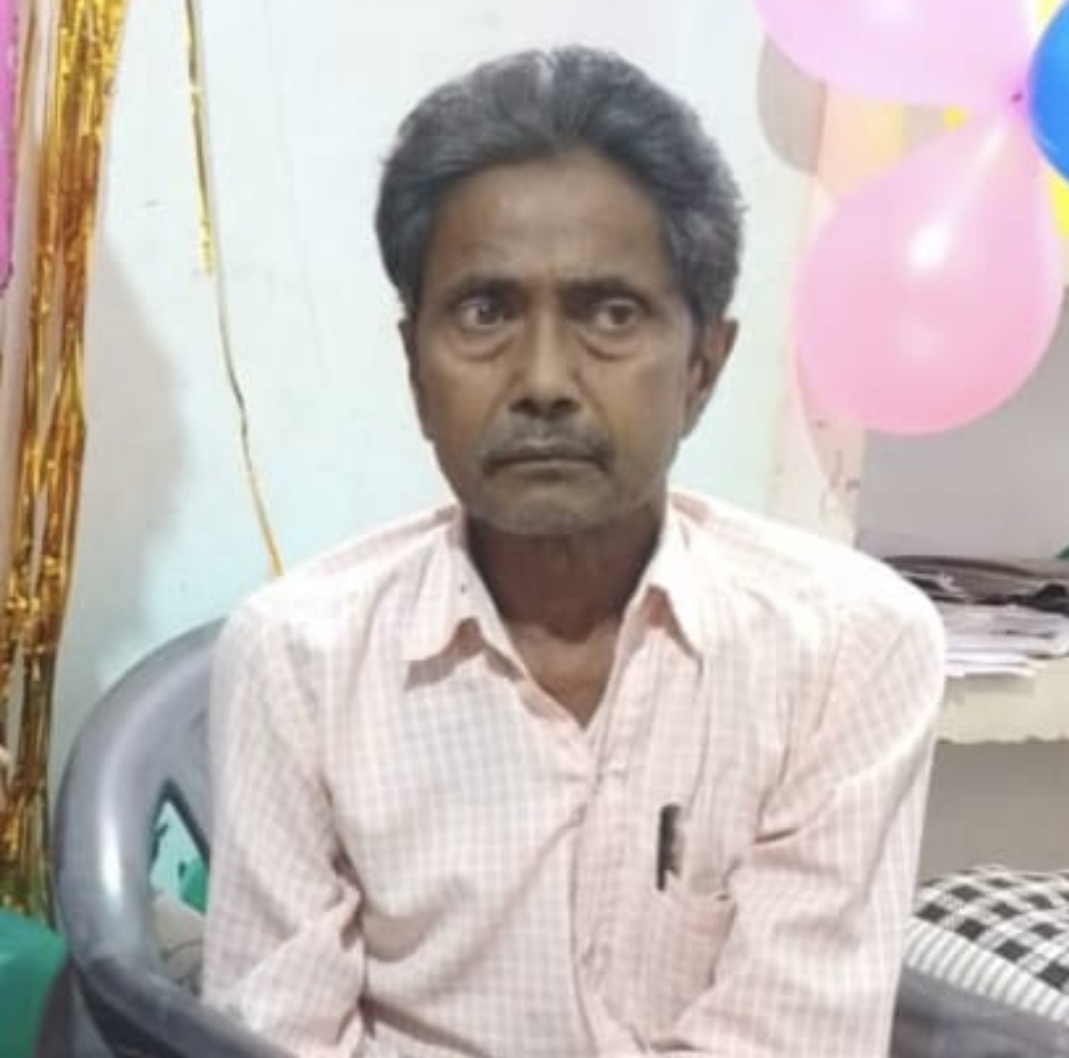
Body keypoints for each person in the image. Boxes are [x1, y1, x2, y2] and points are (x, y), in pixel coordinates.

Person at [203, 46, 945, 1058]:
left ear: (702, 367)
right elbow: (276, 1038)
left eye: (610, 313)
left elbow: (791, 1034)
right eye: (484, 312)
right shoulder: (296, 658)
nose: (543, 380)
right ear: (414, 368)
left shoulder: (851, 648)